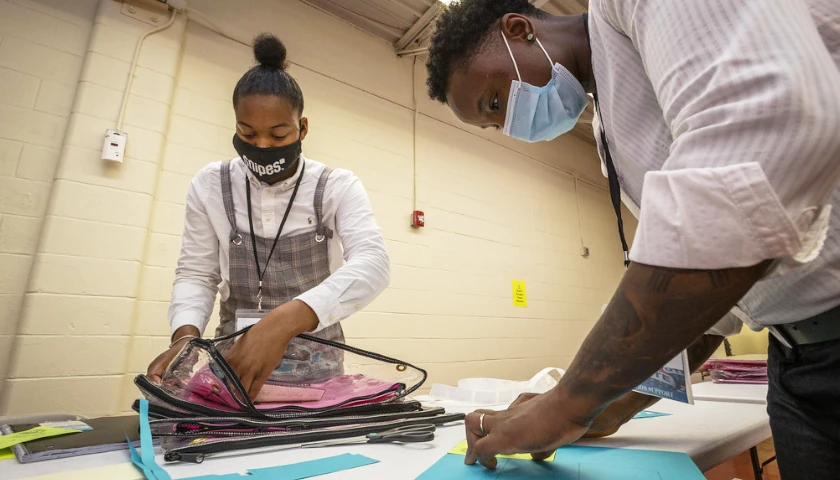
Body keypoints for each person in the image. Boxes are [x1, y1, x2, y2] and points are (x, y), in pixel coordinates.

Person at [424, 0, 840, 478]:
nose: (509, 125)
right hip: (796, 364)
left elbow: (760, 143)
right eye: (494, 126)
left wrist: (571, 400)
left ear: (520, 29)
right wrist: (611, 406)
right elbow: (713, 302)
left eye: (495, 103)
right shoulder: (611, 132)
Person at [146, 33, 390, 401]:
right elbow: (197, 273)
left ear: (302, 128)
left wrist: (283, 321)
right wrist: (185, 337)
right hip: (233, 365)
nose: (261, 146)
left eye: (278, 135)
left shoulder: (336, 186)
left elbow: (374, 264)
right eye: (247, 133)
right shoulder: (211, 185)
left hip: (317, 375)